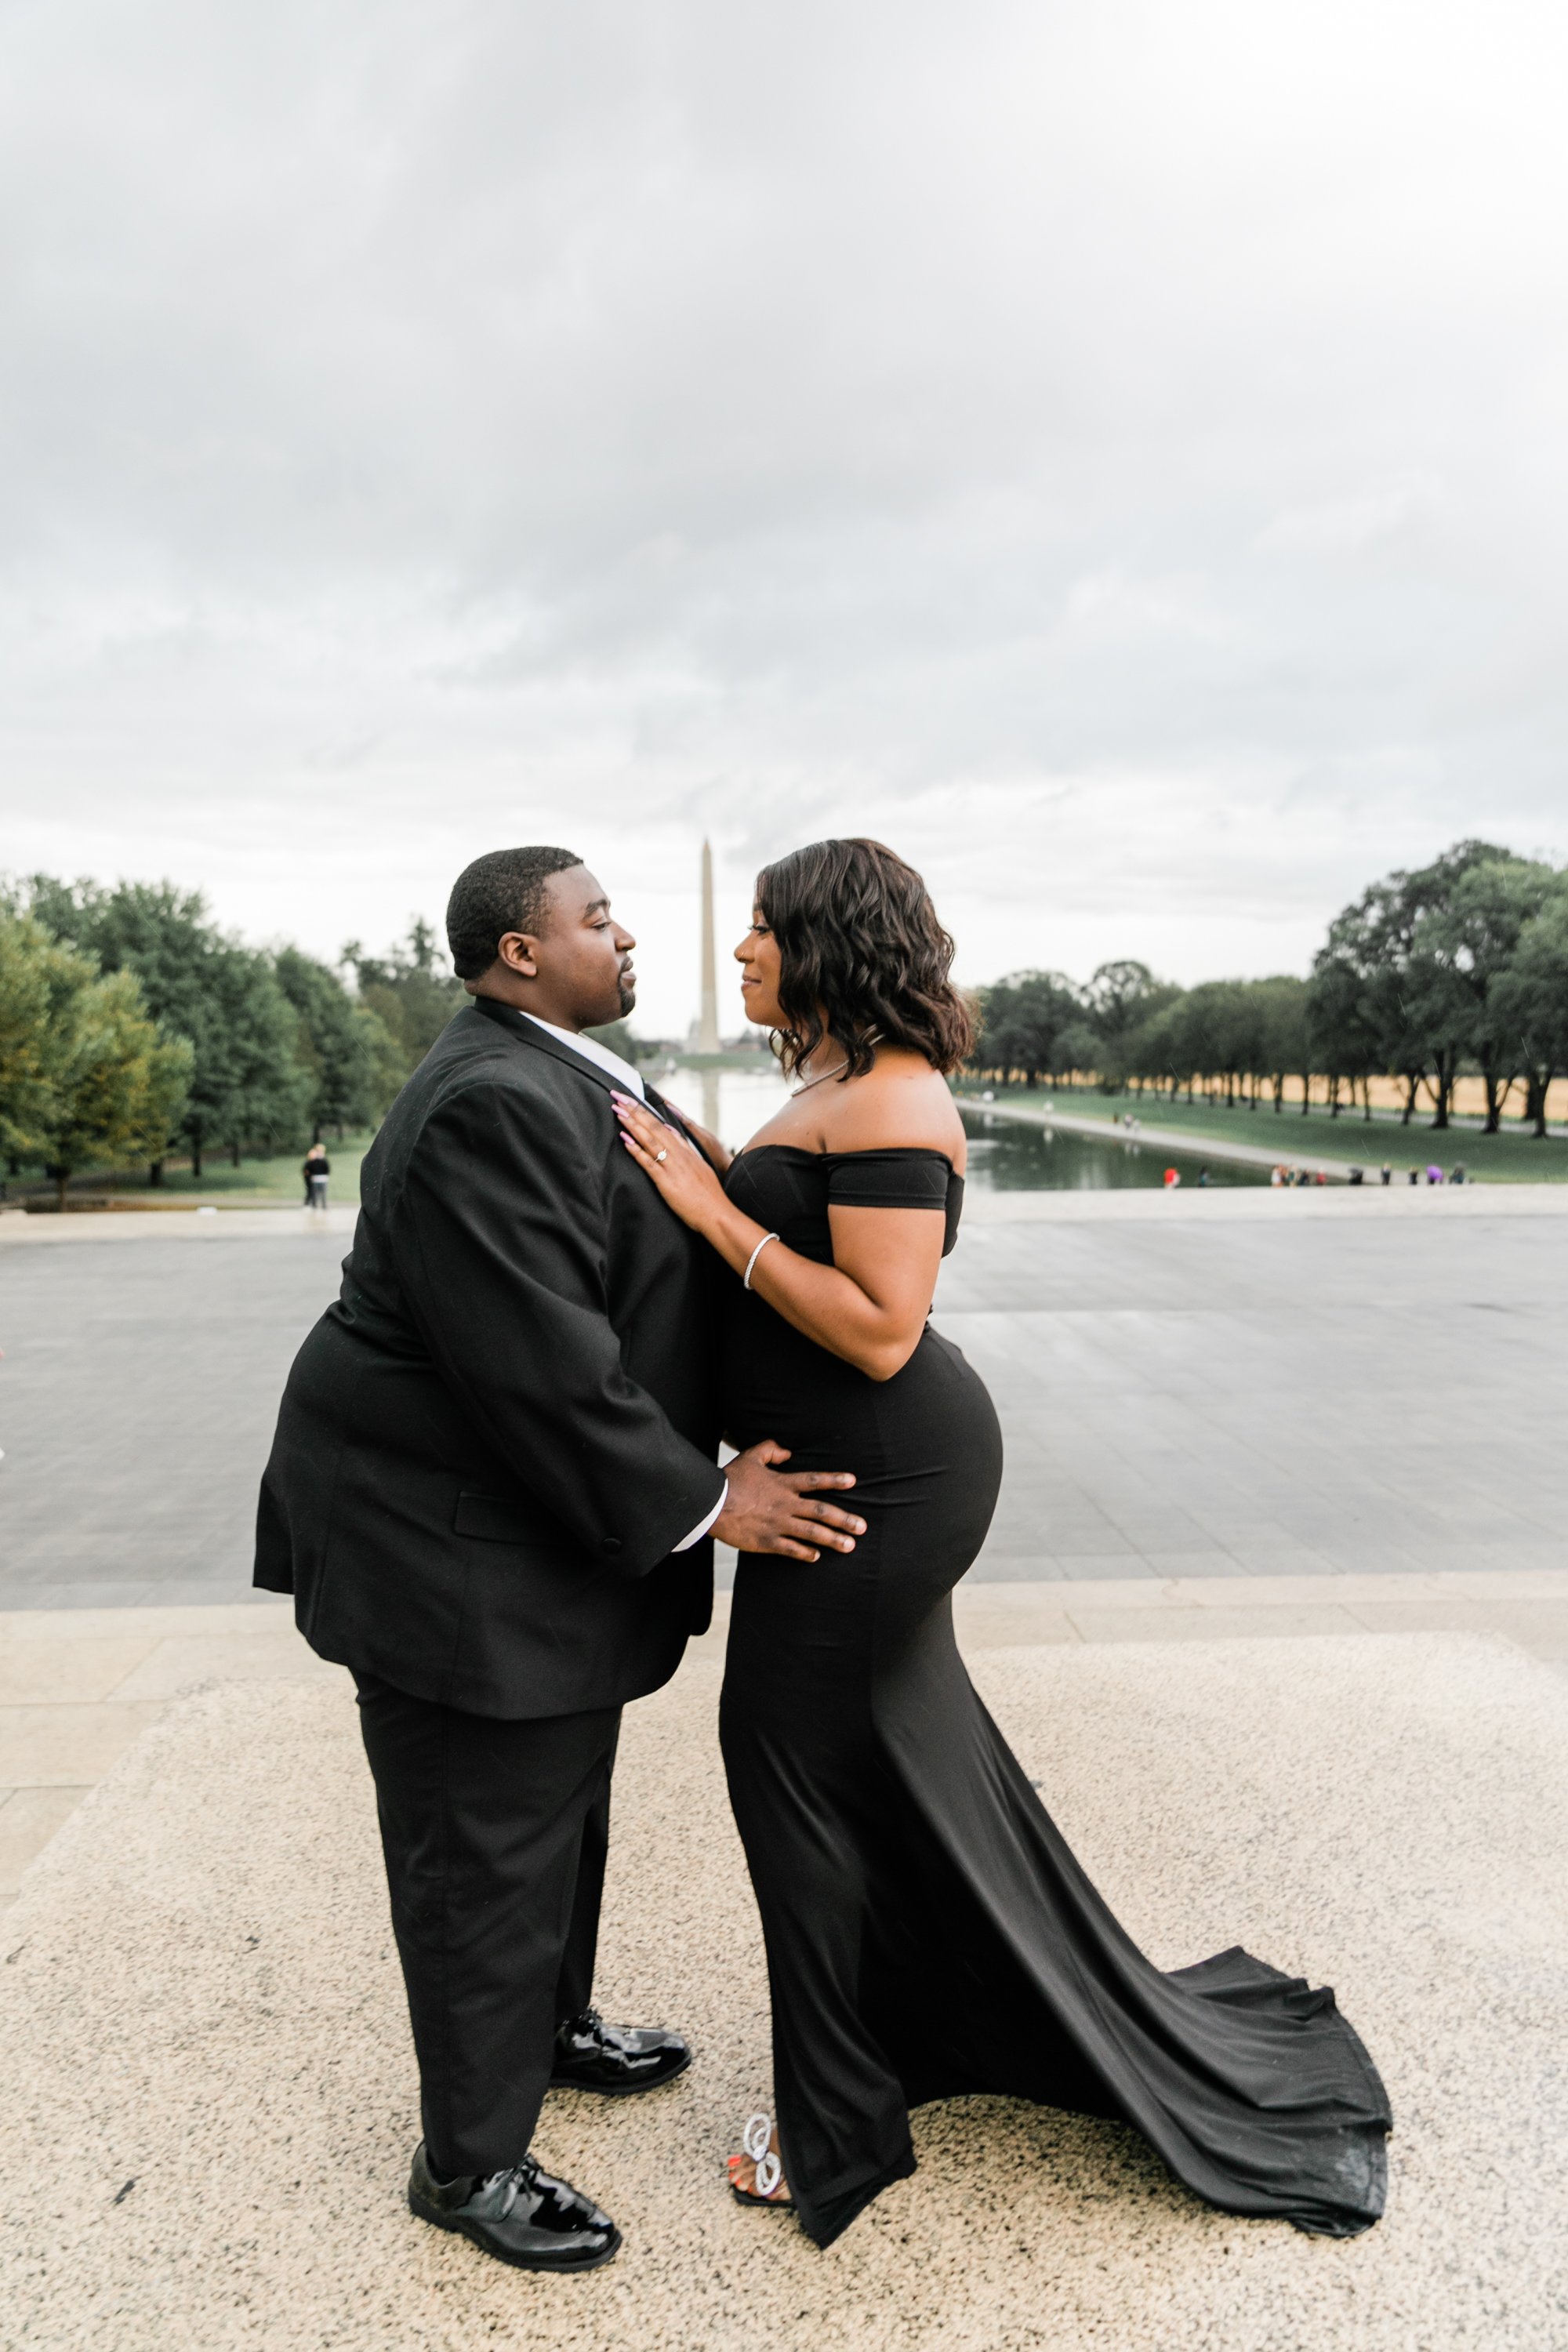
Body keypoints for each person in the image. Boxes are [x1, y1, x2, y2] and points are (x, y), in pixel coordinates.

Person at [615, 837, 1391, 2249]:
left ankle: (831, 2116)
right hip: (860, 1469)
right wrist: (716, 1163)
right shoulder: (833, 1085)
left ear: (830, 942)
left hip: (888, 1482)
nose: (739, 953)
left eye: (762, 931)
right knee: (872, 1757)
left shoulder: (900, 1097)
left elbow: (878, 1323)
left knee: (784, 1761)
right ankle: (923, 2027)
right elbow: (805, 1215)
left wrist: (713, 1213)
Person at [253, 848, 865, 2275]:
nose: (629, 933)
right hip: (444, 1538)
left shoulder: (568, 1068)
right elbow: (540, 1363)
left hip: (517, 1528)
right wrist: (711, 1502)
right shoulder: (491, 1099)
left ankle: (550, 2026)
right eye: (597, 918)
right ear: (519, 955)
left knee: (555, 1805)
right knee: (484, 1847)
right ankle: (467, 2164)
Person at [301, 1141, 330, 1211]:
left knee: (322, 1194)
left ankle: (323, 1206)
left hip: (322, 1178)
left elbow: (327, 1169)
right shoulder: (313, 1161)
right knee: (314, 1193)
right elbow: (309, 1169)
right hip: (315, 1178)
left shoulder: (324, 1160)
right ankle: (313, 1206)